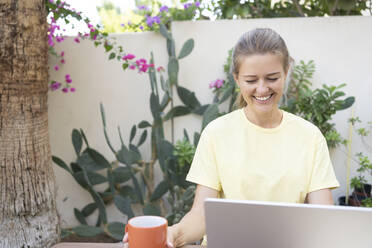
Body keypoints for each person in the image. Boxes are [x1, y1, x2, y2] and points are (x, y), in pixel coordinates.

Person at [123, 28, 340, 248]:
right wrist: (171, 234)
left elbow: (322, 219)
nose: (262, 88)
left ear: (286, 72)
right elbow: (201, 215)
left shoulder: (310, 137)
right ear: (237, 79)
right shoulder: (216, 133)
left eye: (272, 78)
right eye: (251, 80)